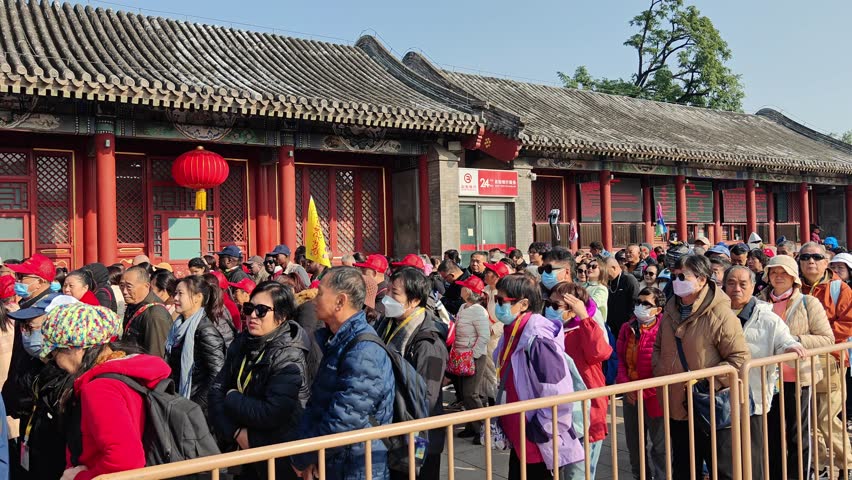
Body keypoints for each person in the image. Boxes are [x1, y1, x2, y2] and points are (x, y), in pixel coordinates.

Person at [38, 302, 168, 480]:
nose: (54, 362)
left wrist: (80, 477)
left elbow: (126, 460)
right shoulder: (124, 368)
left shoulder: (100, 389)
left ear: (76, 348)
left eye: (54, 354)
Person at [652, 254, 751, 480]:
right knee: (683, 468)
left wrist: (706, 384)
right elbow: (658, 347)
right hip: (676, 402)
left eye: (683, 277)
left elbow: (739, 358)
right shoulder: (670, 311)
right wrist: (661, 370)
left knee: (721, 468)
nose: (677, 281)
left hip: (708, 404)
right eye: (674, 276)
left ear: (702, 279)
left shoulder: (720, 313)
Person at [291, 267, 394, 480]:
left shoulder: (363, 350)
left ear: (340, 301)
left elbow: (345, 419)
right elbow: (317, 404)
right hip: (334, 460)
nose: (314, 299)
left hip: (357, 465)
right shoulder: (336, 339)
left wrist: (303, 457)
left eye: (320, 293)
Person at [208, 281, 310, 479]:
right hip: (244, 451)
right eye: (249, 308)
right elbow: (215, 391)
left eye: (262, 310)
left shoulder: (289, 354)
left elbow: (272, 412)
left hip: (278, 456)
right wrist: (235, 432)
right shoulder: (242, 341)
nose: (252, 315)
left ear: (281, 316)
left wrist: (232, 397)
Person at [493, 274, 583, 479]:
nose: (496, 305)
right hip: (519, 432)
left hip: (536, 437)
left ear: (524, 304)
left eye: (501, 300)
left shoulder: (538, 339)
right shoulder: (512, 331)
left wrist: (542, 428)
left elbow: (558, 391)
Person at [723, 266, 806, 480]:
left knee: (754, 457)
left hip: (754, 397)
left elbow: (784, 339)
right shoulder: (715, 313)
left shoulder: (767, 318)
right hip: (720, 398)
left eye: (743, 284)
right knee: (725, 459)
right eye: (731, 283)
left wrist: (791, 347)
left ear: (753, 286)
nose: (736, 289)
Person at [757, 254, 833, 480]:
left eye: (784, 273)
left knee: (797, 434)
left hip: (798, 378)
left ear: (794, 277)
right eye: (774, 272)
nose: (778, 276)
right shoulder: (759, 302)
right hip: (767, 379)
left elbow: (827, 339)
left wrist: (793, 341)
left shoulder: (809, 303)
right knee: (771, 435)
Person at [374, 267, 447, 480]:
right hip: (393, 430)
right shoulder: (387, 324)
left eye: (395, 293)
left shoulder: (429, 343)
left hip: (419, 435)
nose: (387, 297)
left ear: (414, 301)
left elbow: (428, 396)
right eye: (388, 290)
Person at [797, 242, 852, 478]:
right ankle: (818, 464)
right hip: (801, 359)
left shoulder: (839, 288)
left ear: (826, 262)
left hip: (831, 357)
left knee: (826, 416)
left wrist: (818, 338)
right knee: (809, 419)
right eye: (805, 257)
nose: (811, 261)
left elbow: (848, 322)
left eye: (817, 257)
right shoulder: (794, 287)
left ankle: (846, 463)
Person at [549, 282, 611, 479]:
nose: (550, 309)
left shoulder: (584, 328)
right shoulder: (551, 331)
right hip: (558, 412)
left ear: (572, 308)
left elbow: (600, 352)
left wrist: (584, 316)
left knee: (578, 474)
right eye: (548, 304)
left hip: (585, 412)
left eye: (556, 306)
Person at [616, 286, 666, 480]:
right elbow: (619, 359)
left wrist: (642, 391)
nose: (640, 306)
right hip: (630, 393)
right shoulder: (627, 327)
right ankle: (640, 475)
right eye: (638, 302)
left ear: (658, 309)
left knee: (660, 445)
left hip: (655, 396)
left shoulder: (664, 330)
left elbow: (664, 367)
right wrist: (625, 385)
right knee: (634, 443)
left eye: (646, 303)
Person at [165, 276, 226, 416]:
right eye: (175, 293)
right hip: (178, 399)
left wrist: (194, 406)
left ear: (198, 297)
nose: (175, 298)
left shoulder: (205, 330)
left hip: (196, 408)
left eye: (180, 294)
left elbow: (217, 374)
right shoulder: (178, 326)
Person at [452, 275, 490, 442]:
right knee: (464, 393)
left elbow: (484, 336)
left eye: (463, 287)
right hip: (461, 355)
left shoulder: (479, 311)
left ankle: (482, 429)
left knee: (471, 394)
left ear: (468, 291)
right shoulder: (463, 307)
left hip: (473, 357)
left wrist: (473, 355)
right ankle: (471, 426)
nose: (461, 288)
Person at [119, 266, 173, 357]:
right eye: (121, 286)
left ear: (146, 286)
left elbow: (156, 355)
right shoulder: (133, 305)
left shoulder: (154, 314)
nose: (124, 291)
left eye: (129, 287)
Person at [606, 256, 640, 337]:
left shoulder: (629, 279)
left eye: (604, 270)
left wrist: (630, 323)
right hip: (611, 326)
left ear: (613, 268)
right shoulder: (607, 281)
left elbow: (635, 303)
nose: (602, 273)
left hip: (626, 326)